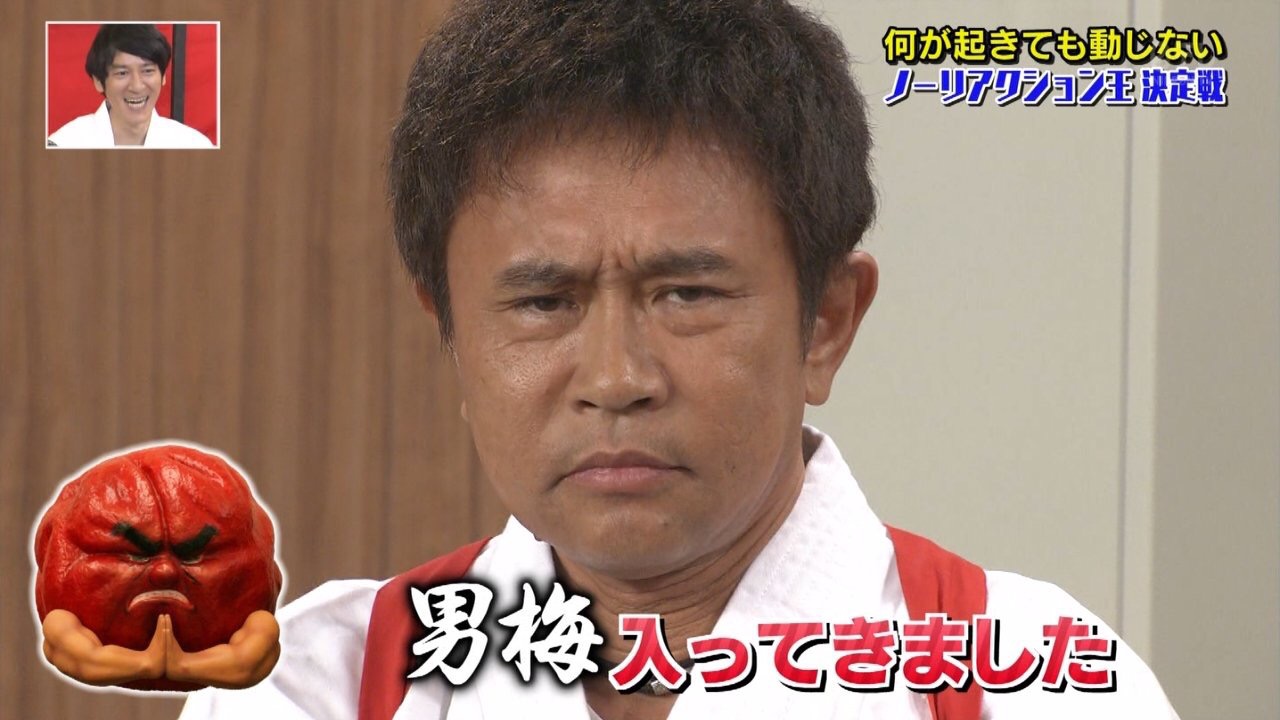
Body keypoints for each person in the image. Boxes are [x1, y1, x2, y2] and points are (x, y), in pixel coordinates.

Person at [181, 1, 1180, 718]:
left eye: (686, 295)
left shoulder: (1031, 683)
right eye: (543, 302)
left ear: (826, 323)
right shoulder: (310, 688)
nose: (616, 379)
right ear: (450, 332)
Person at [47, 24, 213, 148]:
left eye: (147, 71)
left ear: (163, 76)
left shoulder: (195, 145)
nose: (137, 86)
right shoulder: (63, 144)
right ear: (98, 81)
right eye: (122, 73)